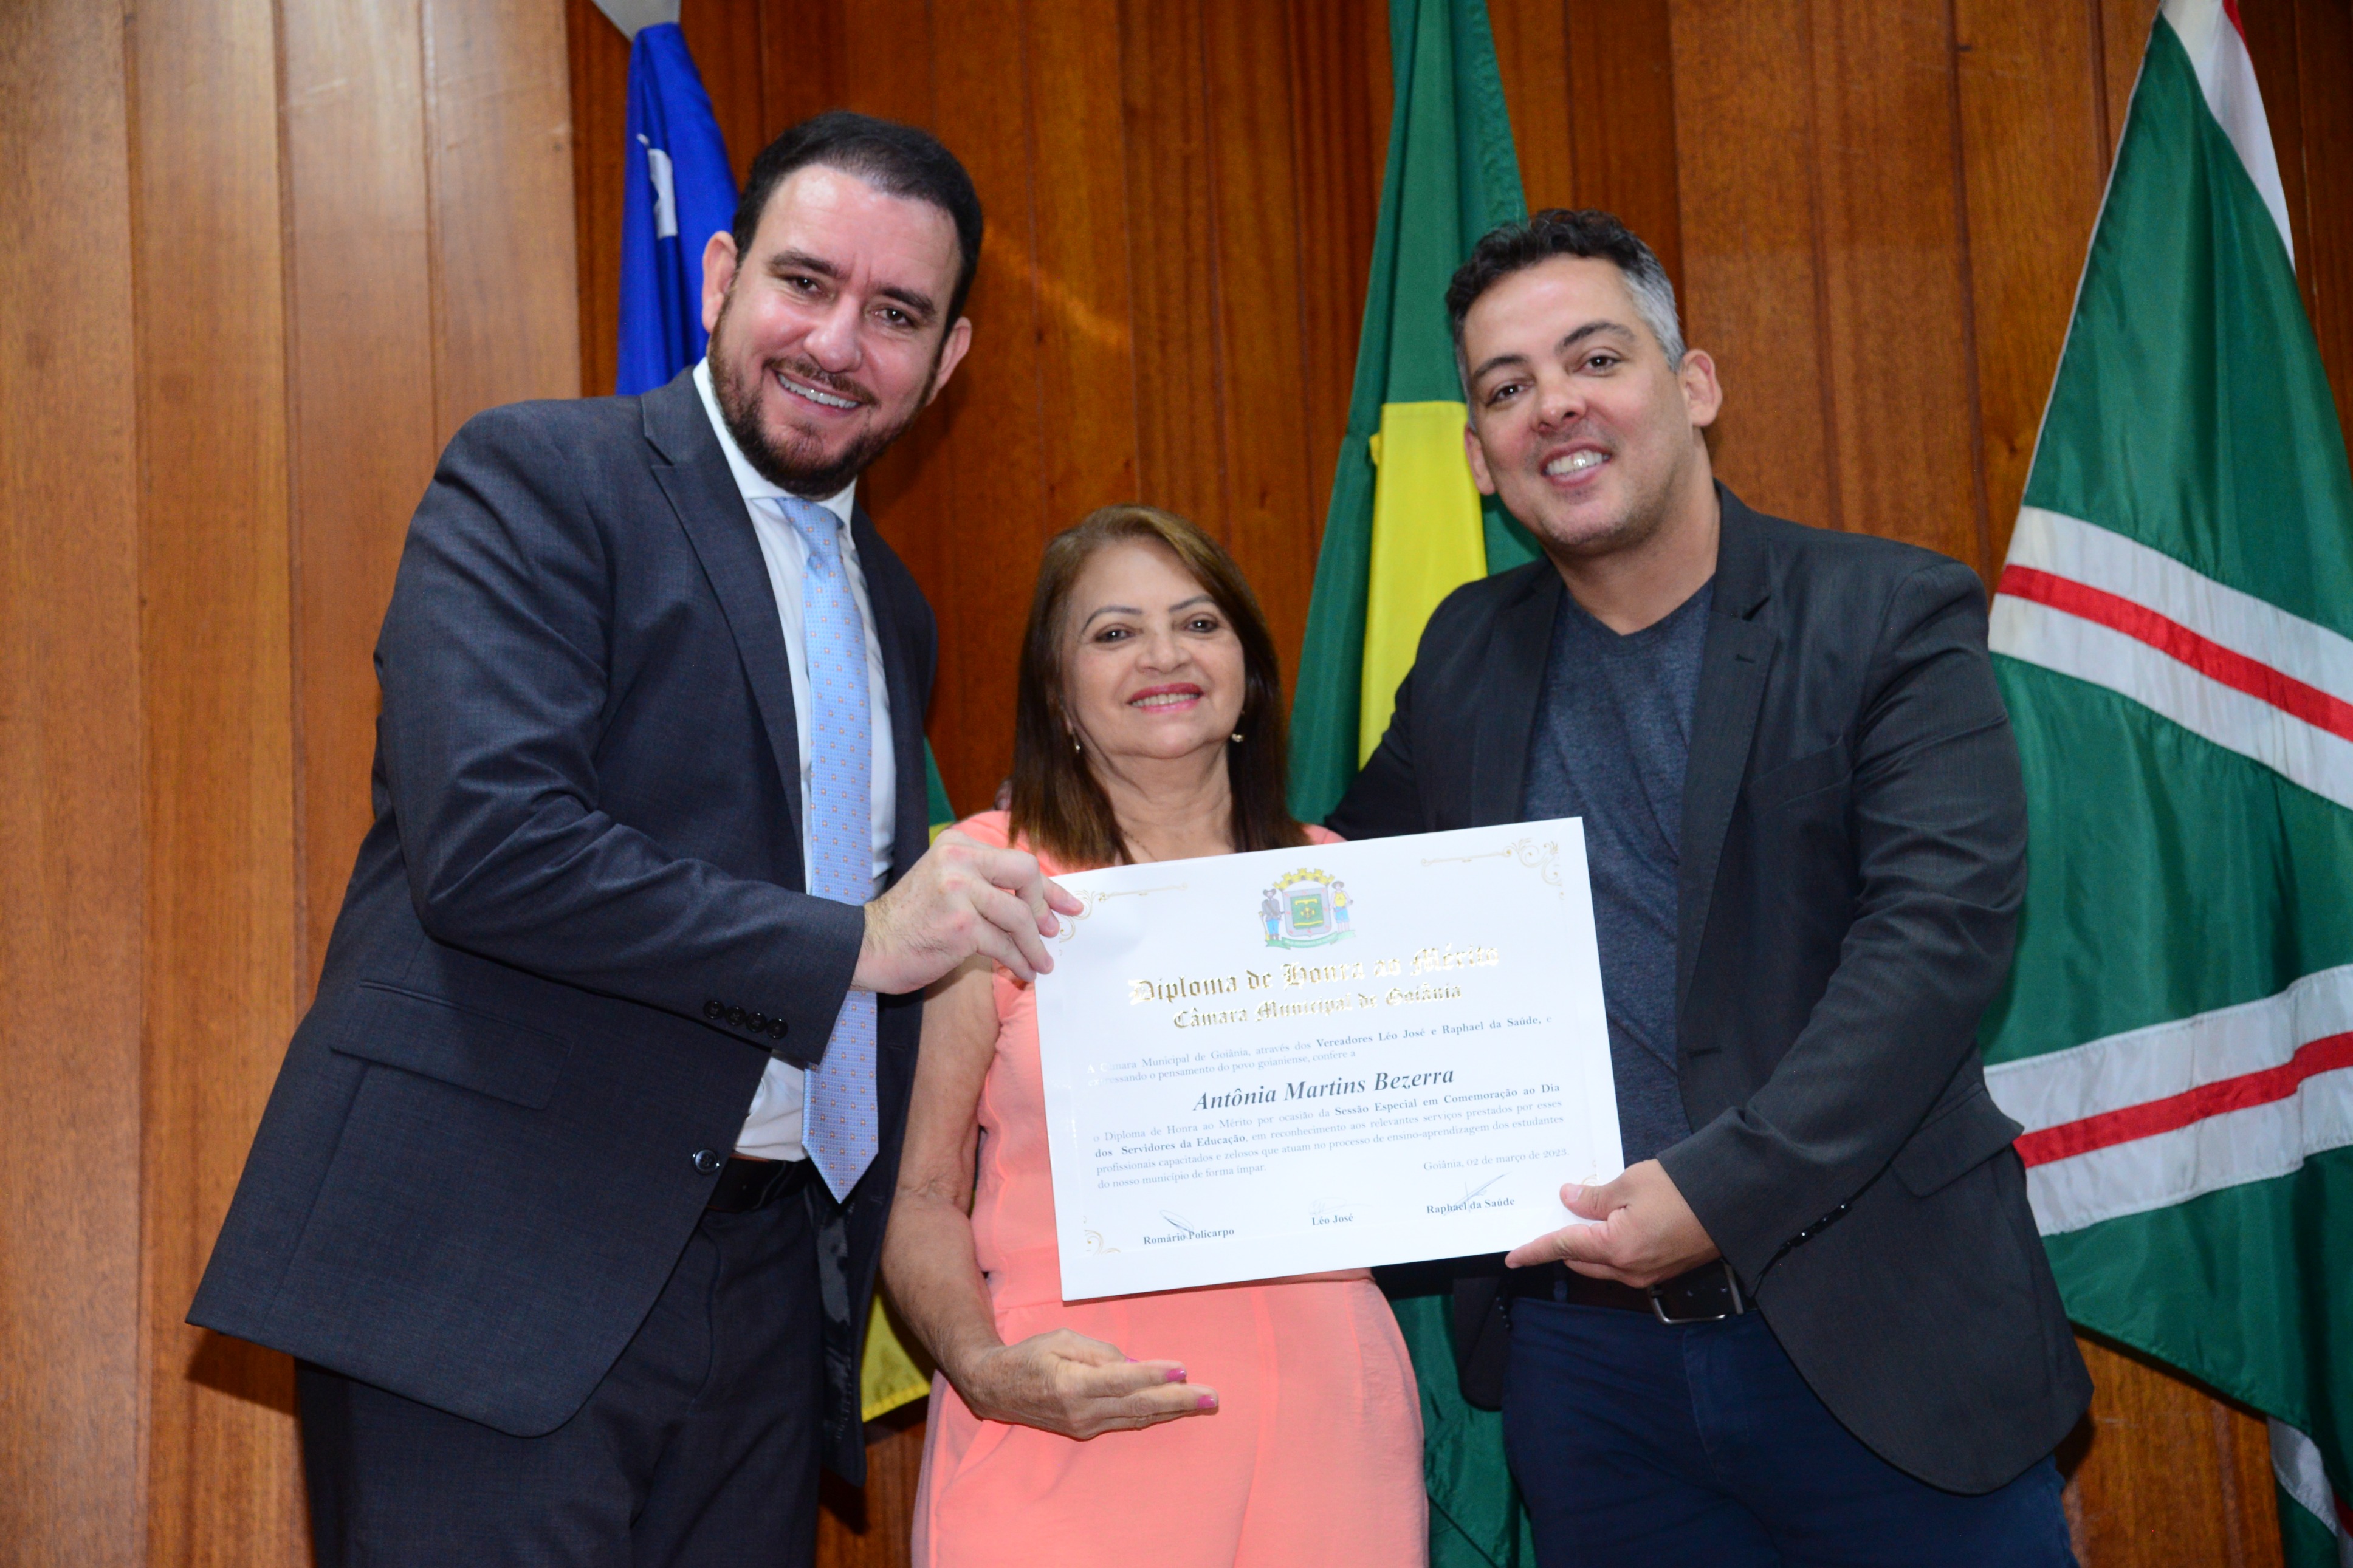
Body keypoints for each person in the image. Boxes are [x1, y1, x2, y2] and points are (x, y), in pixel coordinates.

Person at [188, 112, 1081, 1567]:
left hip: (766, 1295)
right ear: (721, 276)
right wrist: (861, 941)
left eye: (896, 314)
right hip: (492, 1272)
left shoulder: (895, 608)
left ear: (948, 358)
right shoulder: (542, 476)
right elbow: (493, 847)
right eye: (805, 282)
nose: (837, 342)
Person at [1330, 210, 2090, 1564]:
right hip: (1591, 1379)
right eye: (1505, 388)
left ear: (1692, 386)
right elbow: (1338, 888)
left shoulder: (1886, 613)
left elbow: (1935, 946)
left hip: (1882, 1336)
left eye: (1595, 358)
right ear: (1481, 460)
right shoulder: (1464, 652)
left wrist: (1720, 1191)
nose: (1553, 405)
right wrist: (1079, 869)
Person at [883, 506, 1427, 1567]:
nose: (1164, 654)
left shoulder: (1344, 884)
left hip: (1330, 1427)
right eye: (1114, 632)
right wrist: (984, 1367)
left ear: (1249, 674)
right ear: (1058, 692)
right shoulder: (987, 881)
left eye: (1198, 622)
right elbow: (920, 1193)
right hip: (1071, 1409)